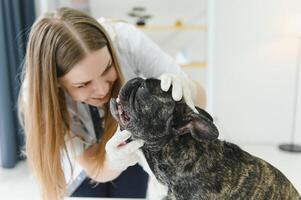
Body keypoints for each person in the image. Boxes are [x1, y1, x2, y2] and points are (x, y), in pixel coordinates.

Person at [18, 7, 206, 200]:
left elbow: (199, 99)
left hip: (132, 150)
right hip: (82, 169)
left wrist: (188, 90)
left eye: (107, 67)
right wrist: (113, 162)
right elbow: (95, 169)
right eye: (83, 84)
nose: (102, 90)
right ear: (56, 82)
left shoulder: (125, 41)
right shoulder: (39, 95)